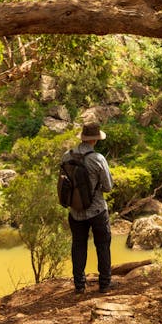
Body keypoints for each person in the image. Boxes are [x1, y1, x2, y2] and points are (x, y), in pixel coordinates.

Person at [62, 122, 114, 294]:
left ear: (83, 138)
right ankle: (105, 284)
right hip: (97, 210)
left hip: (75, 211)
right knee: (102, 244)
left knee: (78, 245)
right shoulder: (98, 159)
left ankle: (79, 286)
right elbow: (107, 187)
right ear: (96, 140)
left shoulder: (66, 156)